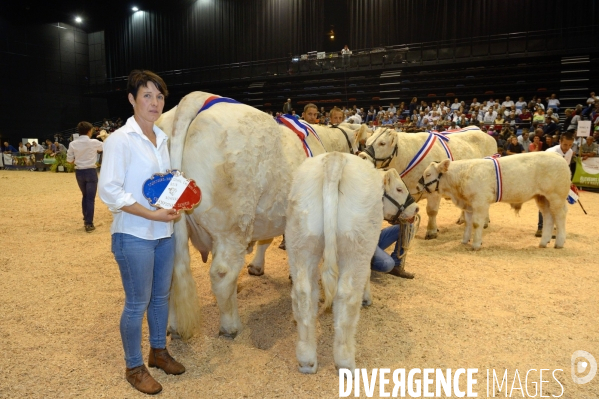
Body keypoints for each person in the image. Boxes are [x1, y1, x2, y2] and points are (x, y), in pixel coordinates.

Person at [98, 70, 184, 395]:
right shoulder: (121, 139)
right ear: (132, 99)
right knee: (137, 303)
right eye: (147, 95)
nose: (155, 102)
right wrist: (151, 214)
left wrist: (178, 199)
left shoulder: (161, 139)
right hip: (133, 234)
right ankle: (134, 367)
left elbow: (161, 185)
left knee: (161, 298)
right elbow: (110, 191)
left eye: (159, 96)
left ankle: (158, 351)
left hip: (164, 231)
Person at [535, 133, 574, 237]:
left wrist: (568, 182)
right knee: (544, 203)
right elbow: (543, 169)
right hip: (545, 180)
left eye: (570, 145)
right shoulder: (550, 152)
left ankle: (552, 227)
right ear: (560, 142)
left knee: (557, 204)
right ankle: (540, 227)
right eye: (565, 144)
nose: (567, 147)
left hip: (557, 182)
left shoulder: (570, 152)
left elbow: (566, 167)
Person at [67, 121, 103, 232]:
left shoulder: (73, 144)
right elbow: (107, 147)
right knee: (90, 199)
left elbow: (69, 161)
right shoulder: (94, 142)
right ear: (89, 131)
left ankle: (86, 217)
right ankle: (89, 223)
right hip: (91, 171)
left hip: (79, 172)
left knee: (85, 195)